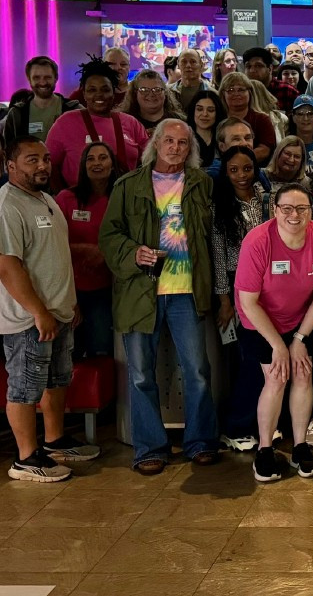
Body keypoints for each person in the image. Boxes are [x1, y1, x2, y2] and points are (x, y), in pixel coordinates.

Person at [98, 119, 220, 475]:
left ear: (191, 149)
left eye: (183, 143)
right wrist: (134, 253)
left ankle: (200, 442)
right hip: (141, 291)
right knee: (140, 375)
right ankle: (150, 448)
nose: (176, 148)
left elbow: (214, 237)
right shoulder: (128, 185)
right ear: (155, 144)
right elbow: (109, 236)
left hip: (187, 291)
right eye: (169, 141)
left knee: (197, 370)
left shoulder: (202, 183)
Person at [0, 136, 100, 482]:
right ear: (12, 166)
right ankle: (25, 458)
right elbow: (7, 266)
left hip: (57, 312)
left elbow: (54, 257)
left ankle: (53, 442)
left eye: (46, 159)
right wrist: (38, 312)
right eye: (32, 160)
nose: (42, 166)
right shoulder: (7, 206)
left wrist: (68, 302)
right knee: (24, 387)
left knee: (56, 379)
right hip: (27, 319)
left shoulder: (45, 199)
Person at [233, 183, 313, 482]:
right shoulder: (257, 241)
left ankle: (301, 445)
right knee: (277, 376)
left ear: (311, 211)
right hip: (261, 319)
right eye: (287, 209)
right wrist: (279, 346)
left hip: (303, 318)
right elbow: (248, 302)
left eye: (302, 208)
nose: (295, 215)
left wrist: (299, 340)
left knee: (304, 374)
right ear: (275, 210)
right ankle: (265, 450)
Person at [210, 146, 273, 453]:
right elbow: (219, 256)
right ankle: (237, 426)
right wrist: (224, 300)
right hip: (238, 283)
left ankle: (265, 424)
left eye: (246, 168)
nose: (241, 175)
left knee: (270, 359)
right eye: (233, 170)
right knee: (248, 361)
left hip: (272, 282)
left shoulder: (267, 197)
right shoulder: (220, 204)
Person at [55, 142, 119, 359]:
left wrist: (105, 252)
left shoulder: (122, 198)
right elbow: (51, 243)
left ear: (113, 165)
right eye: (90, 159)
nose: (97, 163)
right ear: (82, 165)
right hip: (69, 289)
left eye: (103, 157)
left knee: (101, 351)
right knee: (67, 355)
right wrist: (82, 250)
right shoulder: (66, 198)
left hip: (108, 290)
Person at [48, 59, 146, 190]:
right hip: (80, 205)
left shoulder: (131, 123)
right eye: (92, 90)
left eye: (105, 89)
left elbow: (149, 162)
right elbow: (49, 165)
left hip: (126, 203)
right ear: (84, 94)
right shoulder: (66, 122)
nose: (99, 95)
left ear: (113, 93)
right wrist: (64, 198)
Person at [3, 56, 80, 146]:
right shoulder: (16, 114)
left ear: (56, 78)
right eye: (36, 77)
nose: (43, 82)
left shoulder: (74, 110)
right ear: (29, 79)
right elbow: (8, 150)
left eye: (47, 77)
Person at [218, 71, 278, 163]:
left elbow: (264, 151)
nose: (236, 93)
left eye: (241, 90)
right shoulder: (217, 118)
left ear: (250, 92)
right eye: (230, 90)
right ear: (223, 94)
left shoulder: (262, 119)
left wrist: (239, 160)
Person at [189, 90, 226, 170]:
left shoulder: (224, 138)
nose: (205, 114)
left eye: (210, 110)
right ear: (193, 111)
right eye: (199, 109)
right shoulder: (184, 137)